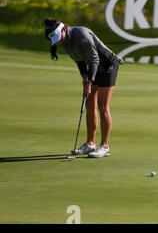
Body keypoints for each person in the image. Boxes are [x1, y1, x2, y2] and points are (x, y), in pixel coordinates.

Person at [44, 18, 123, 158]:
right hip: (95, 68)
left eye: (59, 36)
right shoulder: (65, 41)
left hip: (108, 65)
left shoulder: (81, 34)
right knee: (89, 104)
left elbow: (94, 58)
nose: (59, 41)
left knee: (102, 106)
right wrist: (85, 78)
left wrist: (89, 82)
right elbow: (80, 62)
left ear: (63, 29)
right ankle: (90, 144)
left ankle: (105, 146)